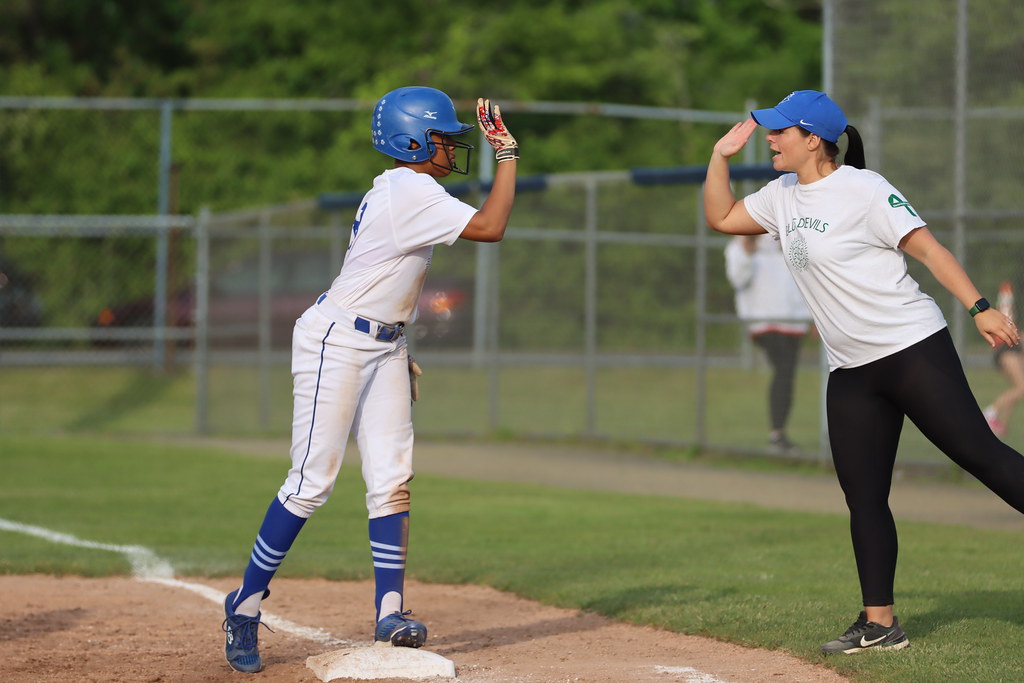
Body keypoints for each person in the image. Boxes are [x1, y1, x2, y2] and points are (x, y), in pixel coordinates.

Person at [703, 89, 1024, 655]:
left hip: (910, 348)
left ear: (813, 139)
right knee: (865, 497)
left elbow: (930, 251)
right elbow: (723, 217)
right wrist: (719, 158)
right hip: (850, 369)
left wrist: (980, 309)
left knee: (985, 458)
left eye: (780, 131)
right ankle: (881, 625)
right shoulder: (781, 195)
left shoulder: (865, 189)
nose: (770, 139)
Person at [221, 86, 520, 674]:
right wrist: (505, 155)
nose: (451, 146)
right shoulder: (410, 189)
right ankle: (246, 606)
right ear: (411, 139)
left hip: (384, 343)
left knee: (392, 478)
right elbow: (490, 227)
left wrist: (395, 341)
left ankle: (390, 612)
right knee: (311, 482)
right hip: (336, 340)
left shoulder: (407, 188)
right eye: (442, 136)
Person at [725, 233, 812, 453]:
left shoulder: (791, 238)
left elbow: (806, 279)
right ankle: (777, 435)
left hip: (794, 321)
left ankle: (779, 433)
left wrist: (813, 317)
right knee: (784, 370)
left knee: (787, 375)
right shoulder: (740, 244)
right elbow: (737, 278)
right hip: (763, 322)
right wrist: (748, 246)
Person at [982, 280, 1024, 436]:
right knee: (1022, 388)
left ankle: (1001, 424)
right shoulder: (1006, 302)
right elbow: (1006, 311)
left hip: (1012, 348)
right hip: (1007, 349)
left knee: (1017, 388)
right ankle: (989, 414)